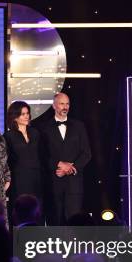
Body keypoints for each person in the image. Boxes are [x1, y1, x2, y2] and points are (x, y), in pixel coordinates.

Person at [32, 93, 91, 225]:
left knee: (75, 220)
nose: (65, 107)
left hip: (74, 183)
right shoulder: (43, 128)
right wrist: (59, 165)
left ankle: (75, 245)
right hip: (53, 182)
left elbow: (86, 153)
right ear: (54, 105)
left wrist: (71, 168)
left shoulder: (79, 126)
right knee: (55, 220)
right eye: (61, 103)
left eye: (67, 104)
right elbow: (42, 155)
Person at [3, 101, 42, 218]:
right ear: (15, 117)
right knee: (21, 211)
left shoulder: (35, 133)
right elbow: (6, 161)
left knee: (37, 210)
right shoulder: (8, 136)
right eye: (22, 114)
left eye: (27, 113)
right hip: (18, 179)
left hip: (37, 178)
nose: (26, 116)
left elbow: (42, 154)